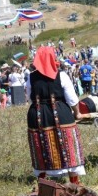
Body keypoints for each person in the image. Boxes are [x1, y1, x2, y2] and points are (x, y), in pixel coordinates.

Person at [27, 46, 85, 185]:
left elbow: (29, 98)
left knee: (41, 145)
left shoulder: (31, 77)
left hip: (38, 114)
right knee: (68, 146)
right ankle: (74, 182)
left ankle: (43, 182)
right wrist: (77, 113)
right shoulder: (62, 75)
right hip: (60, 113)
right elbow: (72, 98)